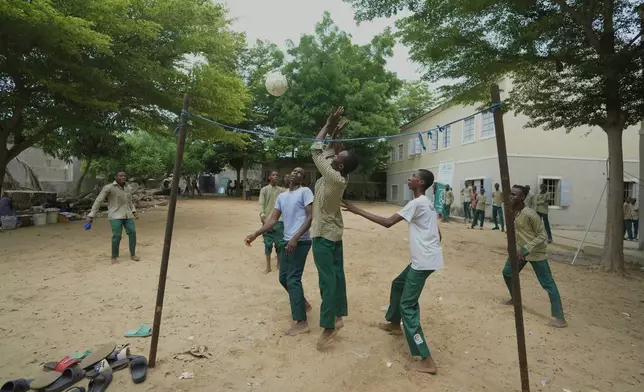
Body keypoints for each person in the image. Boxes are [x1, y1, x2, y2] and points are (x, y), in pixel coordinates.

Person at [342, 169, 443, 374]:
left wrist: (356, 210)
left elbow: (388, 223)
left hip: (422, 262)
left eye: (413, 176)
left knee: (408, 306)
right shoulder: (426, 203)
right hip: (424, 260)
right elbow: (438, 233)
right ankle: (394, 323)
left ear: (420, 182)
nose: (409, 178)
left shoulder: (417, 203)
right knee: (398, 284)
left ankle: (426, 358)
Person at [310, 106, 359, 349]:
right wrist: (335, 136)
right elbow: (328, 150)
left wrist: (328, 124)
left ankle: (328, 327)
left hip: (323, 236)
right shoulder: (340, 174)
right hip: (335, 234)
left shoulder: (333, 176)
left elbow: (315, 149)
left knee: (327, 281)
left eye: (337, 158)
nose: (335, 156)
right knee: (337, 277)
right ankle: (338, 316)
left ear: (338, 166)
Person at [245, 167, 314, 335]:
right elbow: (273, 220)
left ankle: (301, 321)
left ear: (302, 180)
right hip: (286, 241)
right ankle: (303, 303)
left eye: (299, 173)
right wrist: (256, 233)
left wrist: (296, 238)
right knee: (283, 278)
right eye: (294, 171)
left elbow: (310, 218)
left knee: (293, 279)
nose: (295, 173)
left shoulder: (305, 192)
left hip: (301, 242)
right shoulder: (282, 197)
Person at [502, 185, 566, 328]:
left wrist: (526, 249)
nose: (510, 196)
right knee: (507, 273)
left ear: (522, 198)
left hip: (535, 253)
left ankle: (560, 318)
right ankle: (514, 298)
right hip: (519, 252)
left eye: (514, 195)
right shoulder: (511, 211)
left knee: (548, 284)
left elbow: (542, 235)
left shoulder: (530, 214)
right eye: (510, 194)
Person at [87, 171, 140, 263]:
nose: (123, 177)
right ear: (115, 177)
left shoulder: (128, 187)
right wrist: (91, 215)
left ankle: (133, 254)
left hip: (128, 214)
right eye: (120, 176)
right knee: (117, 236)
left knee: (132, 233)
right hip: (115, 215)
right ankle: (114, 256)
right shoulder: (109, 188)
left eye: (124, 176)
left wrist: (134, 211)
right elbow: (99, 201)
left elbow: (129, 201)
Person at [258, 171, 286, 273]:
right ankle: (268, 266)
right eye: (273, 175)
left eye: (277, 175)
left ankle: (278, 264)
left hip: (280, 221)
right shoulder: (264, 190)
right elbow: (261, 203)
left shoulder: (282, 191)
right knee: (267, 243)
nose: (275, 177)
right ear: (269, 177)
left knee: (279, 244)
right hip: (267, 221)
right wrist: (262, 214)